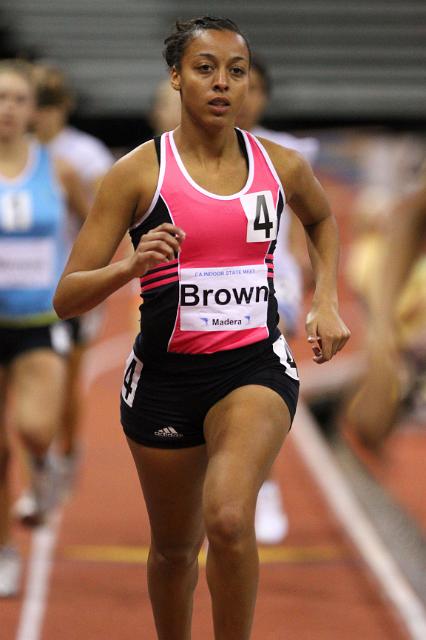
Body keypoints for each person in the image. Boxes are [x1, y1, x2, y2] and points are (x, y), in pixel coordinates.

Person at [54, 17, 350, 639]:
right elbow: (67, 296)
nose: (222, 84)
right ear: (176, 77)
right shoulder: (137, 174)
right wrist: (131, 265)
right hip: (163, 377)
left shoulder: (282, 166)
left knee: (229, 518)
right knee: (172, 551)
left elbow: (322, 222)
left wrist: (325, 302)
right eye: (205, 69)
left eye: (235, 72)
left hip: (253, 364)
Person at [0, 59, 88, 597]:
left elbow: (98, 227)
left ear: (33, 109)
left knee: (34, 427)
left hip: (39, 321)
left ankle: (44, 464)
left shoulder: (58, 170)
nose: (5, 109)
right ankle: (4, 549)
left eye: (15, 99)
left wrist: (87, 285)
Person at [14, 64, 115, 524]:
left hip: (60, 294)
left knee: (64, 385)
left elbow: (102, 221)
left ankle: (64, 452)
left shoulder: (79, 159)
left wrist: (104, 274)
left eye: (21, 101)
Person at [236, 56, 319, 544]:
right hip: (210, 290)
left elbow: (318, 220)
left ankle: (264, 485)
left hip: (275, 286)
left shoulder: (286, 153)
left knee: (258, 398)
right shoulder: (193, 154)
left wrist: (320, 289)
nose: (247, 97)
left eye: (257, 88)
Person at [346, 178, 426, 449]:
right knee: (370, 422)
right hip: (403, 348)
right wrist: (383, 335)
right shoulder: (366, 256)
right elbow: (412, 217)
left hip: (403, 342)